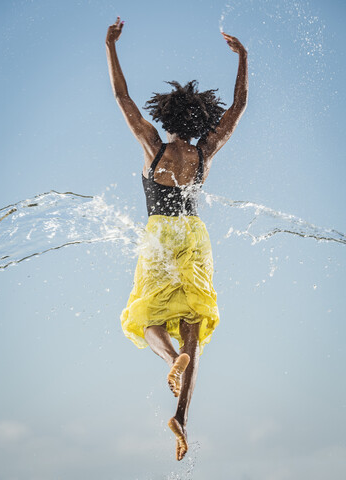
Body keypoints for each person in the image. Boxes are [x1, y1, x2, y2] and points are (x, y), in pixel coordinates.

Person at [105, 17, 248, 461]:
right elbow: (238, 108)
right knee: (193, 328)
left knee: (144, 318)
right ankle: (181, 415)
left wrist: (111, 46)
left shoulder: (155, 147)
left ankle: (170, 363)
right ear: (199, 116)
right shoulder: (204, 153)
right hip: (195, 237)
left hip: (160, 236)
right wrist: (243, 58)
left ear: (165, 115)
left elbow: (122, 97)